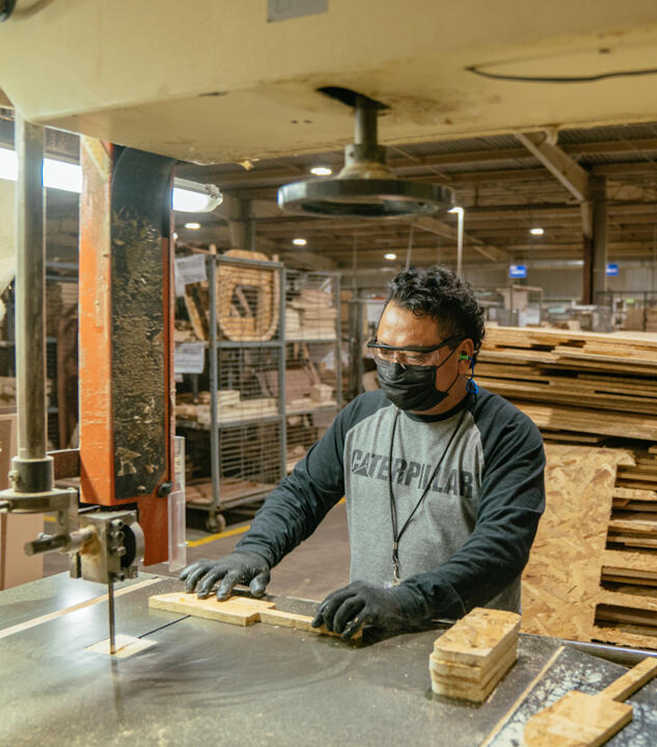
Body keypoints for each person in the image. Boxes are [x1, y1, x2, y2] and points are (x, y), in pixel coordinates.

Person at [180, 267, 546, 639]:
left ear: (464, 355)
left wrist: (409, 600)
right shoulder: (362, 416)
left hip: (469, 645)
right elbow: (304, 492)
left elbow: (500, 548)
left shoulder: (506, 435)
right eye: (384, 351)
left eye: (414, 356)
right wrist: (254, 550)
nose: (393, 368)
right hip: (373, 629)